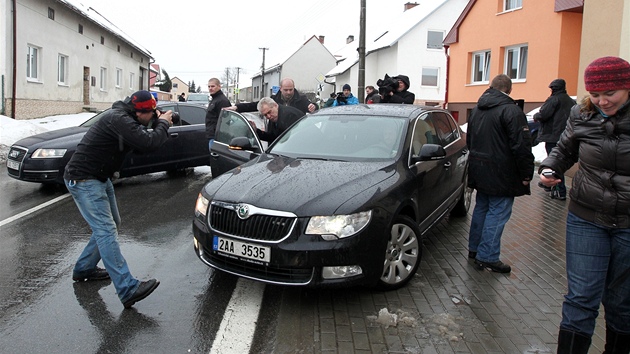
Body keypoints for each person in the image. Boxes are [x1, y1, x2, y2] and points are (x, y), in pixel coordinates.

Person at [539, 56, 630, 354]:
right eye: (596, 94)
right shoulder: (581, 114)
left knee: (622, 300)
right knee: (581, 297)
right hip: (586, 218)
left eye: (610, 93)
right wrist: (551, 168)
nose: (602, 101)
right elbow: (565, 149)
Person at [64, 90, 173, 309]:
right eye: (150, 114)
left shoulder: (126, 119)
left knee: (112, 224)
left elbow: (143, 147)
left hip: (99, 177)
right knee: (106, 230)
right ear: (139, 111)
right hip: (84, 179)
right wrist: (163, 124)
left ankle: (84, 268)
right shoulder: (118, 119)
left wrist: (158, 125)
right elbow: (149, 142)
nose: (152, 117)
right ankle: (127, 288)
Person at [466, 74, 535, 274]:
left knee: (482, 208)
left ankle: (475, 248)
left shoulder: (478, 109)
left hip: (480, 167)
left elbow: (470, 139)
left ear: (491, 87)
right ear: (509, 90)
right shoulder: (511, 111)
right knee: (498, 212)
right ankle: (488, 256)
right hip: (502, 171)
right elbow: (521, 146)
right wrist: (526, 173)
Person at [533, 79, 575, 200]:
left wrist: (536, 116)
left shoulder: (553, 99)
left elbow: (543, 114)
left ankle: (559, 190)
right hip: (566, 136)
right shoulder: (570, 101)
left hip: (553, 136)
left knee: (555, 162)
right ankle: (550, 185)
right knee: (557, 161)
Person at [226, 78, 317, 114]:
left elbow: (312, 107)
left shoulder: (301, 99)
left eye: (291, 89)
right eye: (286, 90)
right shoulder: (274, 100)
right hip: (277, 138)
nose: (289, 92)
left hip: (295, 136)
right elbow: (256, 105)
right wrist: (237, 107)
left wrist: (313, 106)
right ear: (280, 88)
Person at [205, 78, 231, 150]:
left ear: (219, 86)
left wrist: (219, 135)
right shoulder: (215, 99)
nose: (210, 88)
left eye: (213, 86)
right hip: (213, 136)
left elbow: (225, 121)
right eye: (209, 86)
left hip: (217, 138)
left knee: (216, 158)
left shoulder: (222, 101)